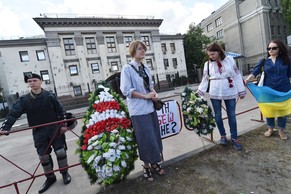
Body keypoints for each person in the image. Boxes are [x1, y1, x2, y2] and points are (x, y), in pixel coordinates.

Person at [0, 73, 71, 193]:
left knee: (60, 152)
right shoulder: (24, 100)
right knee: (43, 157)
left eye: (34, 80)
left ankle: (65, 173)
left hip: (55, 129)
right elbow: (13, 113)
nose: (32, 83)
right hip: (38, 132)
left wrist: (64, 124)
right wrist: (5, 127)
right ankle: (50, 178)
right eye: (30, 81)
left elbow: (61, 110)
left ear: (41, 81)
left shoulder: (50, 96)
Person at [120, 40, 165, 181]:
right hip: (138, 111)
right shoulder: (127, 69)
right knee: (145, 139)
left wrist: (154, 94)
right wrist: (145, 96)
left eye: (144, 49)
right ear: (133, 51)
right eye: (140, 49)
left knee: (154, 137)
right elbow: (126, 90)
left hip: (150, 108)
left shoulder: (145, 68)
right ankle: (146, 166)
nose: (143, 51)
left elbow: (150, 85)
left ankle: (154, 162)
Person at [196, 43, 246, 150]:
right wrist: (200, 91)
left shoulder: (230, 60)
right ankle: (223, 136)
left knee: (231, 114)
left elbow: (236, 75)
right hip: (215, 91)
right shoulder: (207, 64)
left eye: (213, 54)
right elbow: (205, 78)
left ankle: (234, 138)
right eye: (209, 55)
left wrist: (241, 90)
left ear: (219, 51)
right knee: (217, 115)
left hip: (229, 89)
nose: (211, 57)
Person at [245, 39, 291, 140]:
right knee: (269, 109)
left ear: (279, 49)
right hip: (268, 89)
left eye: (274, 48)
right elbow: (255, 71)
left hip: (284, 89)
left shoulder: (287, 59)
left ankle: (281, 130)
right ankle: (270, 128)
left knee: (282, 110)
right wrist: (247, 80)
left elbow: (289, 74)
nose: (271, 50)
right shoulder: (264, 61)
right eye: (269, 48)